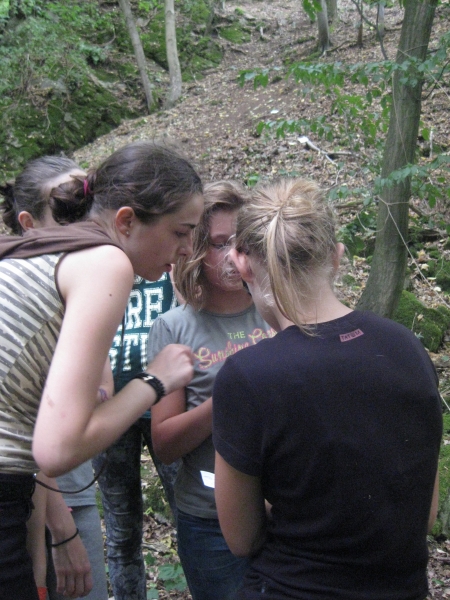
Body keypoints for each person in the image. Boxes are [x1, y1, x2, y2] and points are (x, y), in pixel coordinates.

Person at [212, 177, 443, 600]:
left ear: (244, 266)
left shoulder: (248, 377)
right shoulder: (408, 348)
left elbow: (242, 538)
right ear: (336, 257)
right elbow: (423, 516)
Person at [0, 140, 204, 600]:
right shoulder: (106, 262)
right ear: (126, 221)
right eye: (181, 231)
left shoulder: (48, 250)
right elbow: (57, 449)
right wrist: (154, 381)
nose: (188, 249)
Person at [148, 181, 275, 600]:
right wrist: (229, 397)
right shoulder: (173, 328)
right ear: (197, 251)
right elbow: (164, 444)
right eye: (220, 244)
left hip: (286, 509)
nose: (234, 255)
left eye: (241, 241)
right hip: (209, 519)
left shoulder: (279, 312)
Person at [1, 156, 108, 600]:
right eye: (67, 208)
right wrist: (61, 531)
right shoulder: (22, 298)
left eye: (90, 205)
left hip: (71, 489)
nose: (85, 224)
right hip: (29, 493)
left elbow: (100, 393)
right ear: (29, 224)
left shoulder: (86, 287)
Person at [93, 270, 182, 600]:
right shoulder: (101, 265)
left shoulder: (170, 261)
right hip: (111, 407)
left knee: (190, 516)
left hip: (168, 400)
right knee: (121, 531)